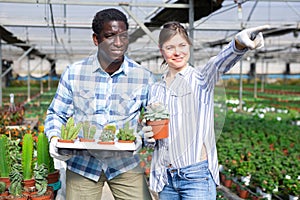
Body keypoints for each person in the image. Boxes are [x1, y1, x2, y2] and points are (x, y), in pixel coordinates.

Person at [142, 21, 269, 199]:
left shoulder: (201, 78)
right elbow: (154, 139)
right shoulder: (155, 89)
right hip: (165, 178)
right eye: (170, 47)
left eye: (182, 45)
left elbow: (219, 63)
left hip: (196, 177)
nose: (177, 52)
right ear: (161, 49)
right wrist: (147, 135)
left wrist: (238, 44)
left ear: (189, 46)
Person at [44, 8, 154, 200]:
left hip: (124, 163)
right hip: (83, 165)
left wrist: (142, 137)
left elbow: (154, 119)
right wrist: (54, 138)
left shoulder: (143, 77)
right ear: (96, 39)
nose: (118, 43)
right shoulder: (75, 73)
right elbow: (57, 113)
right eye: (110, 36)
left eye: (123, 36)